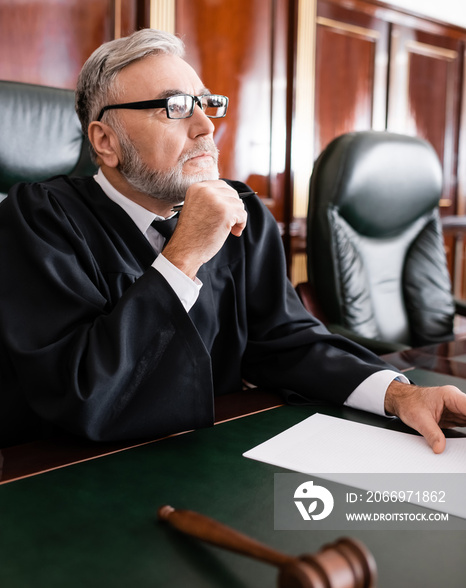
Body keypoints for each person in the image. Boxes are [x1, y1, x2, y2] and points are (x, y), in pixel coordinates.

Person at [0, 29, 465, 450]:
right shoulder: (37, 218)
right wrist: (184, 254)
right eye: (175, 108)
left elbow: (287, 341)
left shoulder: (240, 210)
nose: (205, 127)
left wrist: (400, 395)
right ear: (105, 142)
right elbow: (80, 391)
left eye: (206, 104)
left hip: (207, 457)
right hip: (68, 474)